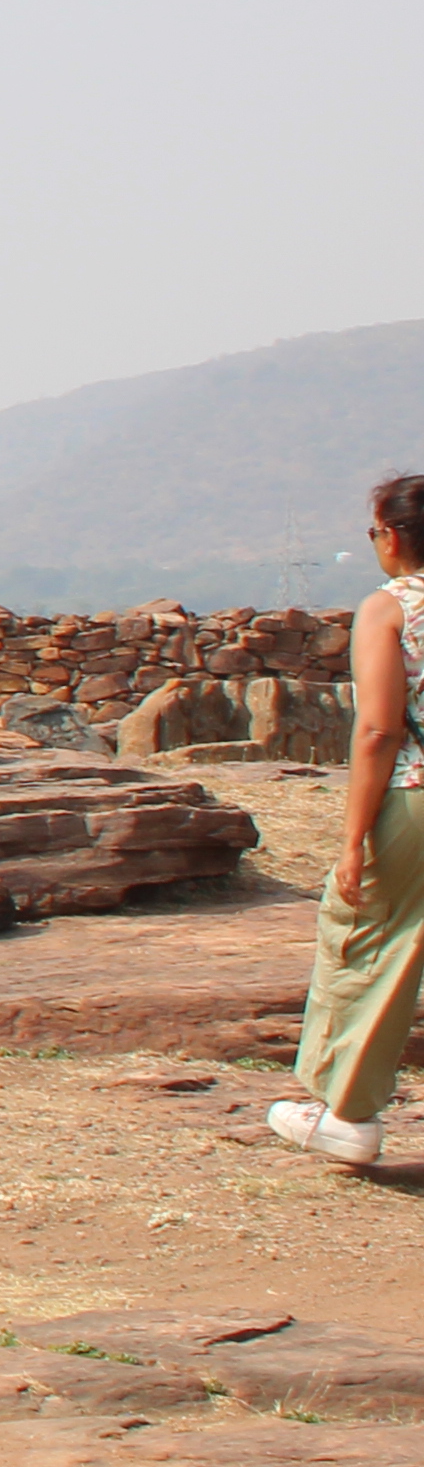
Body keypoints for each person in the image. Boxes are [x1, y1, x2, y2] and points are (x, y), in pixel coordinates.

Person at [266, 469, 424, 1171]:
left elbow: (378, 732)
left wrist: (355, 839)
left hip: (416, 793)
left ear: (391, 536)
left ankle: (347, 1112)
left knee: (368, 938)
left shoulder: (390, 610)